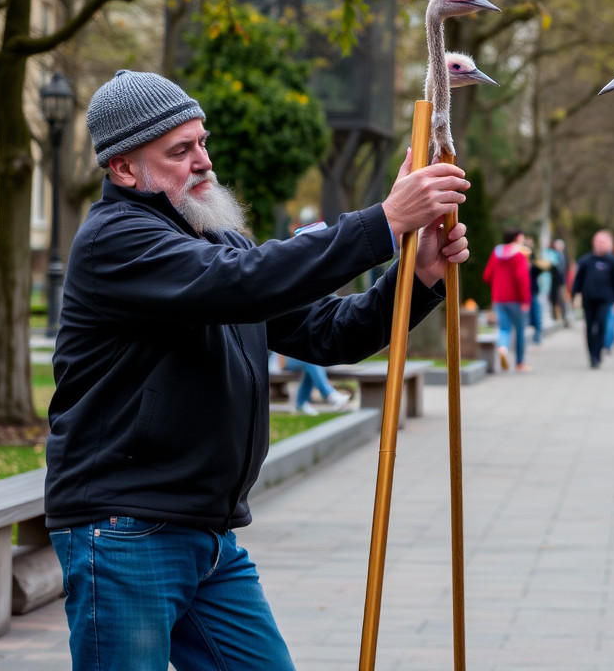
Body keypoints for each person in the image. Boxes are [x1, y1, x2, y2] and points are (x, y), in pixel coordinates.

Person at [45, 69, 470, 671]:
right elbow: (240, 285)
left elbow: (332, 331)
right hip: (124, 530)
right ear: (122, 169)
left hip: (208, 534)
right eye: (179, 150)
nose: (203, 161)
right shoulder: (115, 239)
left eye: (201, 141)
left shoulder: (217, 238)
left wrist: (417, 274)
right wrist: (383, 221)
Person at [572, 230, 614, 369]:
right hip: (588, 299)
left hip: (605, 299)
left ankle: (598, 351)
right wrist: (574, 295)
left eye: (603, 242)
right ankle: (591, 355)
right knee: (589, 327)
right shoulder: (586, 261)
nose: (600, 245)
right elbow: (578, 280)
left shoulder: (613, 261)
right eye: (598, 241)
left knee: (602, 325)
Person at [482, 228, 532, 371]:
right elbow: (522, 279)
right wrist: (525, 300)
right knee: (520, 331)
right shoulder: (520, 255)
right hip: (516, 300)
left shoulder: (496, 253)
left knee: (504, 329)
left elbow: (487, 276)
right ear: (516, 239)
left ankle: (503, 349)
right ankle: (520, 363)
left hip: (499, 299)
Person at [277, 354, 351, 416]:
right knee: (311, 361)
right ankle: (330, 394)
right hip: (284, 361)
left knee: (311, 363)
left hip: (302, 358)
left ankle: (301, 403)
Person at [545, 238, 571, 327]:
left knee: (563, 299)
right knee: (553, 298)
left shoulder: (564, 254)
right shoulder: (551, 254)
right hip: (553, 280)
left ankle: (564, 317)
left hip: (562, 281)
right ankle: (555, 316)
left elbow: (566, 267)